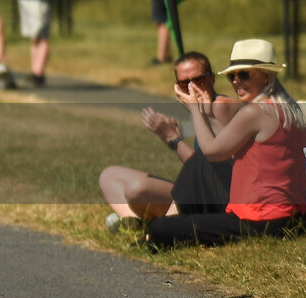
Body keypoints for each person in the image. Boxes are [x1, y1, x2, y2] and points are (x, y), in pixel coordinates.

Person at [145, 39, 306, 248]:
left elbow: (212, 152)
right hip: (290, 217)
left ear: (266, 76)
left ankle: (154, 232)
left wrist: (195, 111)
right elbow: (228, 148)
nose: (236, 82)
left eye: (244, 75)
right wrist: (206, 113)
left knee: (160, 229)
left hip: (260, 220)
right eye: (232, 76)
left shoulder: (254, 112)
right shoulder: (290, 110)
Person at [99, 52, 239, 231]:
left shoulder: (221, 107)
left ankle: (153, 226)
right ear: (177, 88)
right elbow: (198, 169)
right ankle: (135, 223)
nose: (192, 88)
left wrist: (173, 139)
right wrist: (174, 138)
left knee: (137, 189)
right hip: (198, 192)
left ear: (211, 78)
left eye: (199, 80)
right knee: (109, 176)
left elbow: (214, 173)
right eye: (184, 83)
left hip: (217, 199)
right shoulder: (202, 109)